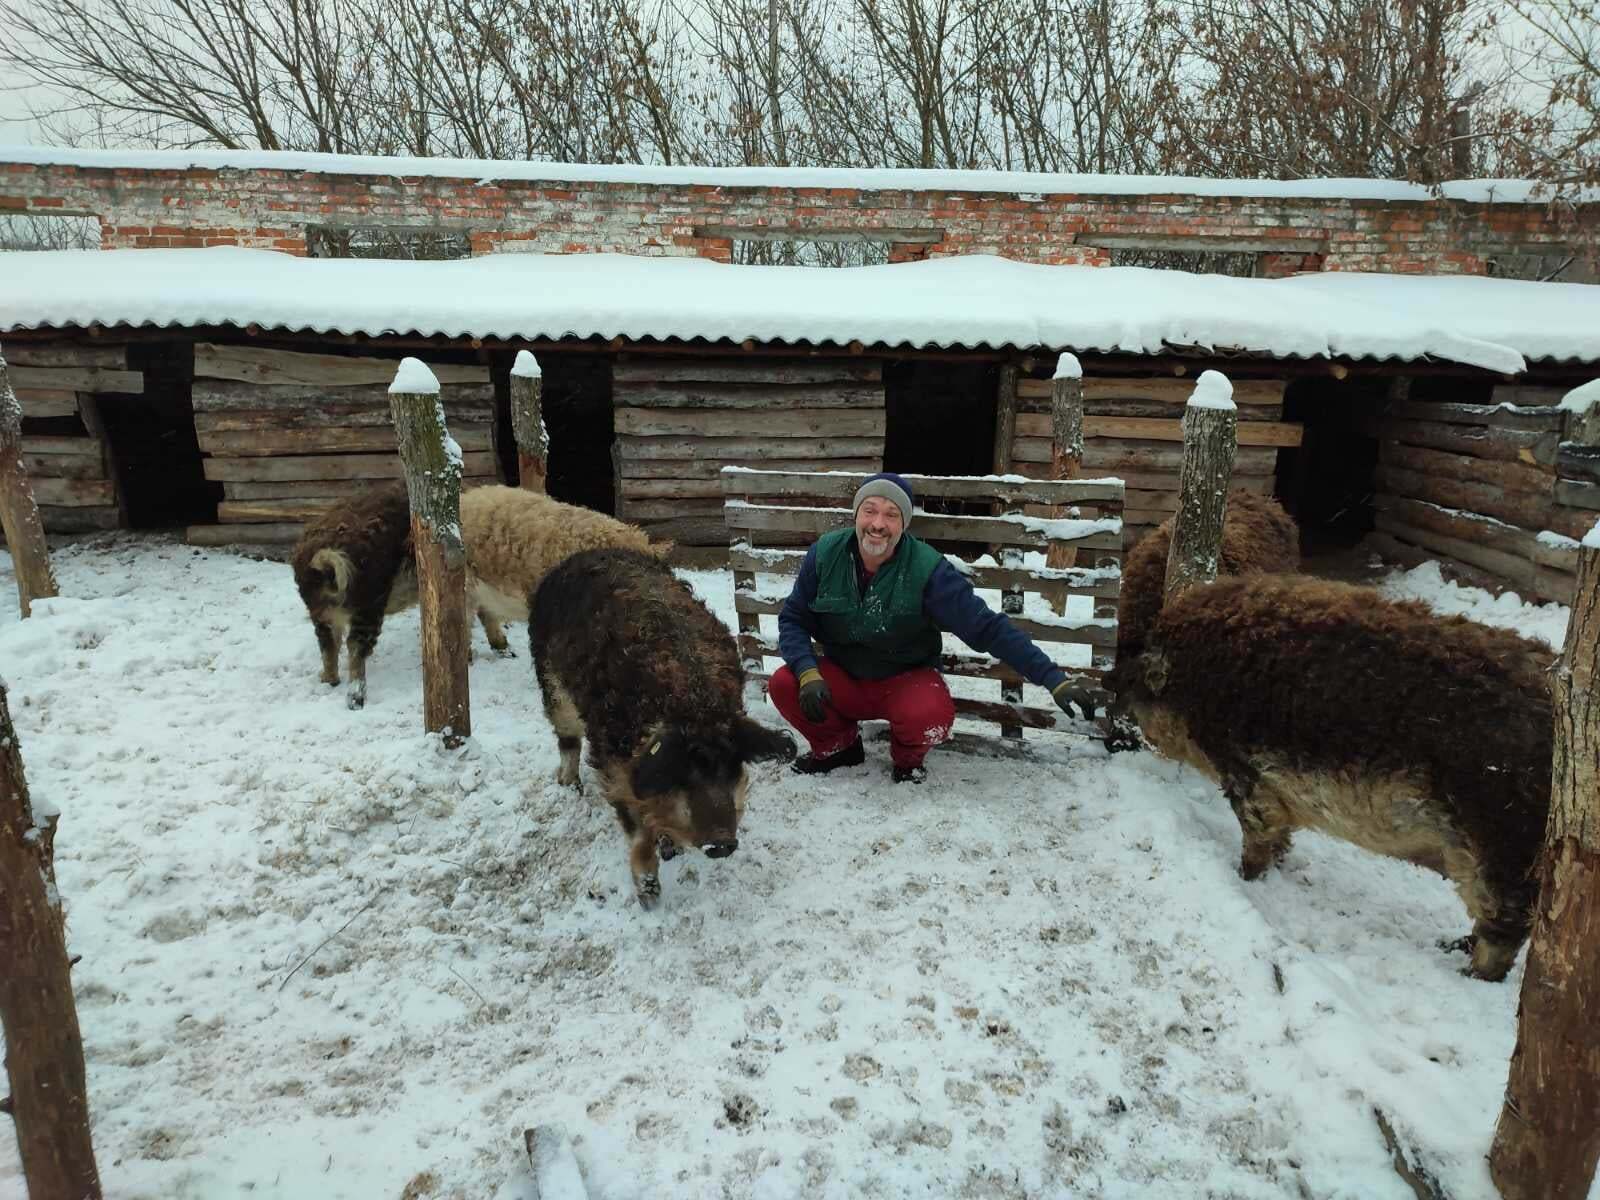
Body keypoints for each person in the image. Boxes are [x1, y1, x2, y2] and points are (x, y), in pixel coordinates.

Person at [768, 472, 1082, 784]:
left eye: (891, 515)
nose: (878, 523)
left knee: (930, 716)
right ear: (856, 515)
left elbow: (986, 628)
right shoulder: (825, 555)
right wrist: (808, 671)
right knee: (785, 683)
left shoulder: (927, 570)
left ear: (903, 524)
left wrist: (1052, 678)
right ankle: (838, 748)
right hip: (844, 678)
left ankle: (907, 760)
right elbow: (793, 618)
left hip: (905, 680)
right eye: (870, 510)